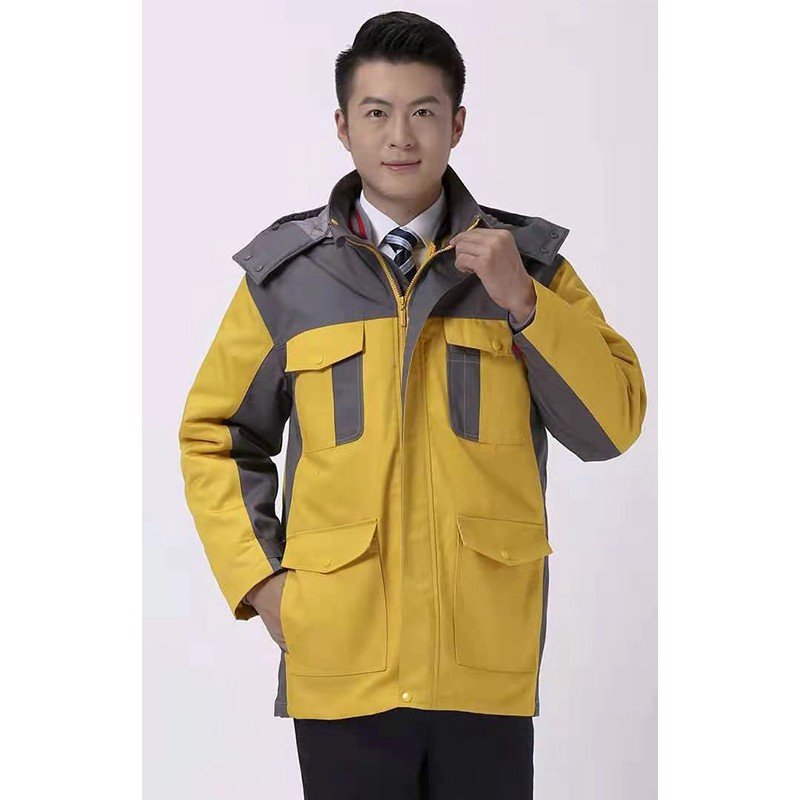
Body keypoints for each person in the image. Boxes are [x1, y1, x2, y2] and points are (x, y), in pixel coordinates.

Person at [178, 10, 647, 799]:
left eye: (423, 112)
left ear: (457, 124)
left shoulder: (529, 268)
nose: (401, 136)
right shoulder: (288, 280)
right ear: (343, 127)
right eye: (377, 113)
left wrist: (525, 304)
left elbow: (613, 425)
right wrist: (263, 584)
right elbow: (216, 435)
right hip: (341, 660)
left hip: (482, 665)